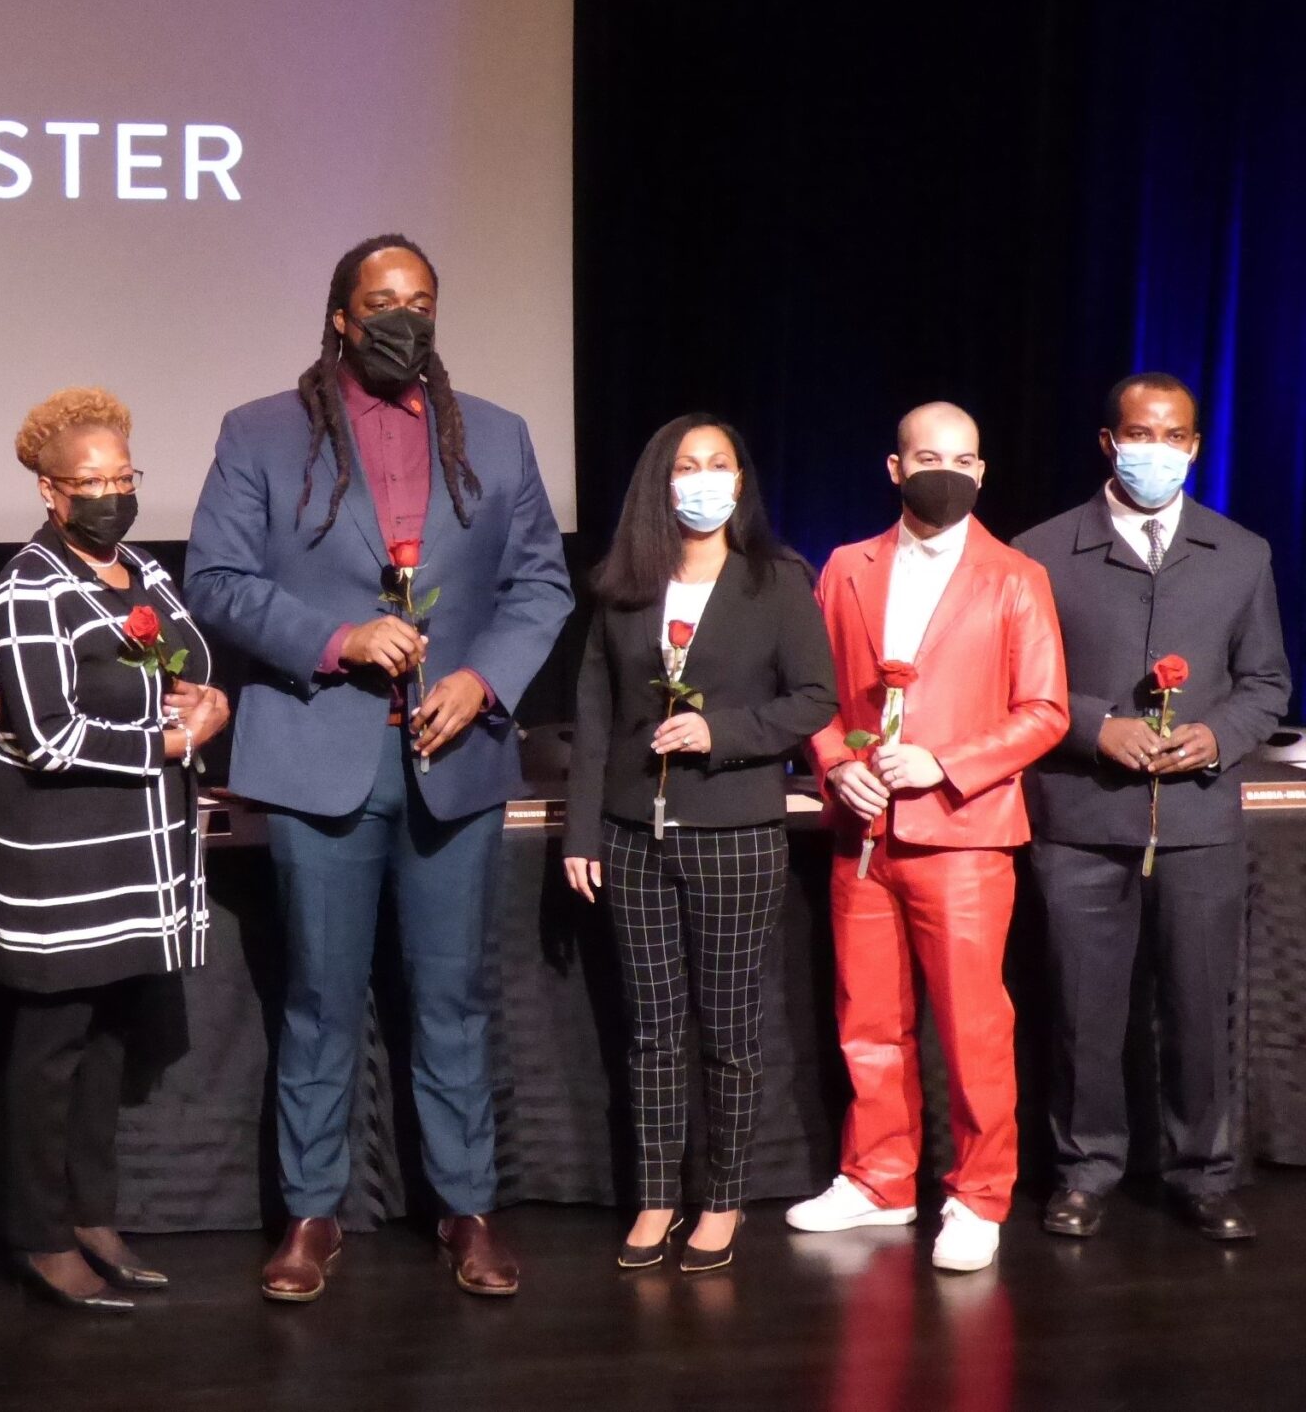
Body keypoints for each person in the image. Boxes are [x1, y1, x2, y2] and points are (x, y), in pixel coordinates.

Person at [185, 233, 573, 1301]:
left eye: (422, 299)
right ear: (343, 317)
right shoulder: (263, 432)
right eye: (382, 300)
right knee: (318, 995)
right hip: (321, 754)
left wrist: (484, 681)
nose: (404, 316)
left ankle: (467, 1210)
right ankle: (312, 1215)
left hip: (457, 758)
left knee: (453, 997)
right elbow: (214, 578)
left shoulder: (495, 435)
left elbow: (541, 586)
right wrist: (337, 639)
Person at [0, 387, 230, 1312]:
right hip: (62, 857)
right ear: (50, 490)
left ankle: (94, 1214)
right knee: (50, 1051)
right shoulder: (28, 584)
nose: (113, 492)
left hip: (145, 850)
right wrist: (171, 741)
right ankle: (39, 1234)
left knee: (113, 1040)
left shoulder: (145, 571)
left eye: (125, 475)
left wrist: (212, 705)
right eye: (92, 481)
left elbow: (193, 666)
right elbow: (45, 733)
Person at [788, 402, 1068, 1273]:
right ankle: (878, 1179)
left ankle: (979, 1196)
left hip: (964, 835)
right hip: (863, 829)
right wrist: (837, 762)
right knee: (867, 1017)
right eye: (926, 455)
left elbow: (1045, 712)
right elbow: (815, 692)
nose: (945, 468)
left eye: (962, 457)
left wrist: (944, 763)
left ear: (982, 473)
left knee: (973, 1023)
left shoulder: (1015, 576)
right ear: (895, 466)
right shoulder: (845, 566)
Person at [1014, 372, 1289, 1241]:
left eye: (1174, 438)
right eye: (1140, 435)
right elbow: (1023, 680)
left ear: (1196, 447)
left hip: (1200, 822)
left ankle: (1203, 1173)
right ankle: (1085, 1170)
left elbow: (1268, 683)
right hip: (1083, 821)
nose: (1156, 452)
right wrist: (1098, 727)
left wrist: (1214, 736)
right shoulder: (1042, 551)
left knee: (1202, 1007)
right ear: (1109, 443)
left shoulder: (1241, 552)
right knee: (1083, 1010)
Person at [562, 413, 836, 1273]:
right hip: (633, 834)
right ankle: (655, 1197)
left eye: (720, 464)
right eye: (687, 465)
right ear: (660, 481)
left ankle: (721, 1199)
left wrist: (722, 731)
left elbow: (816, 699)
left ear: (742, 484)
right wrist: (582, 830)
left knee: (728, 1028)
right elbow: (595, 715)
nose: (704, 480)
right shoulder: (623, 587)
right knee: (650, 1031)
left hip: (735, 833)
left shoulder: (778, 582)